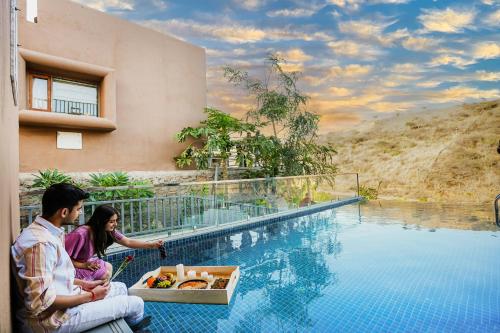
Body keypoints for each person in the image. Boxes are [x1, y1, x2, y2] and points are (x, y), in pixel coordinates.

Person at [11, 183, 147, 333]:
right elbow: (40, 302)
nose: (80, 213)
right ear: (64, 212)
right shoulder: (41, 244)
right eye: (78, 209)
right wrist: (92, 296)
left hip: (68, 295)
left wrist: (83, 284)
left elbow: (52, 278)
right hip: (53, 320)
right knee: (136, 303)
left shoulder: (47, 233)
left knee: (121, 288)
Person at [65, 204, 164, 281]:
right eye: (111, 221)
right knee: (104, 274)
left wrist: (152, 244)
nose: (115, 224)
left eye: (116, 221)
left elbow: (128, 242)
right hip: (70, 268)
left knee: (108, 266)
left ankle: (101, 292)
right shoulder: (80, 234)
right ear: (101, 221)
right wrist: (84, 265)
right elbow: (62, 258)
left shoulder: (107, 231)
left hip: (84, 263)